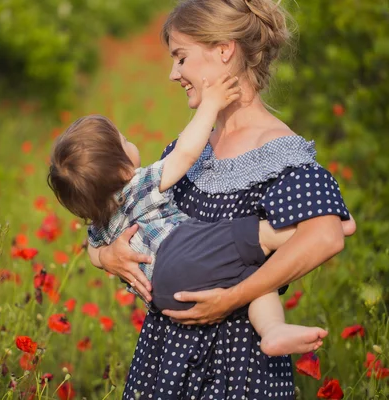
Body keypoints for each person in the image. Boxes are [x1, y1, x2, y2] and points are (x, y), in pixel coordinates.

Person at [86, 0, 357, 398]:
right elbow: (124, 214)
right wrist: (107, 256)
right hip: (166, 359)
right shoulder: (189, 149)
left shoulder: (280, 153)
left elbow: (327, 236)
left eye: (181, 58)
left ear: (224, 50)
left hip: (239, 364)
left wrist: (231, 299)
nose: (172, 74)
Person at [47, 73, 354, 357]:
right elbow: (185, 153)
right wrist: (211, 104)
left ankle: (273, 331)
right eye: (124, 141)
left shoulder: (100, 220)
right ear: (124, 169)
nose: (130, 141)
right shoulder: (139, 185)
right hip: (180, 254)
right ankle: (309, 228)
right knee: (245, 234)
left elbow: (94, 252)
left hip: (165, 296)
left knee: (257, 278)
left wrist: (104, 258)